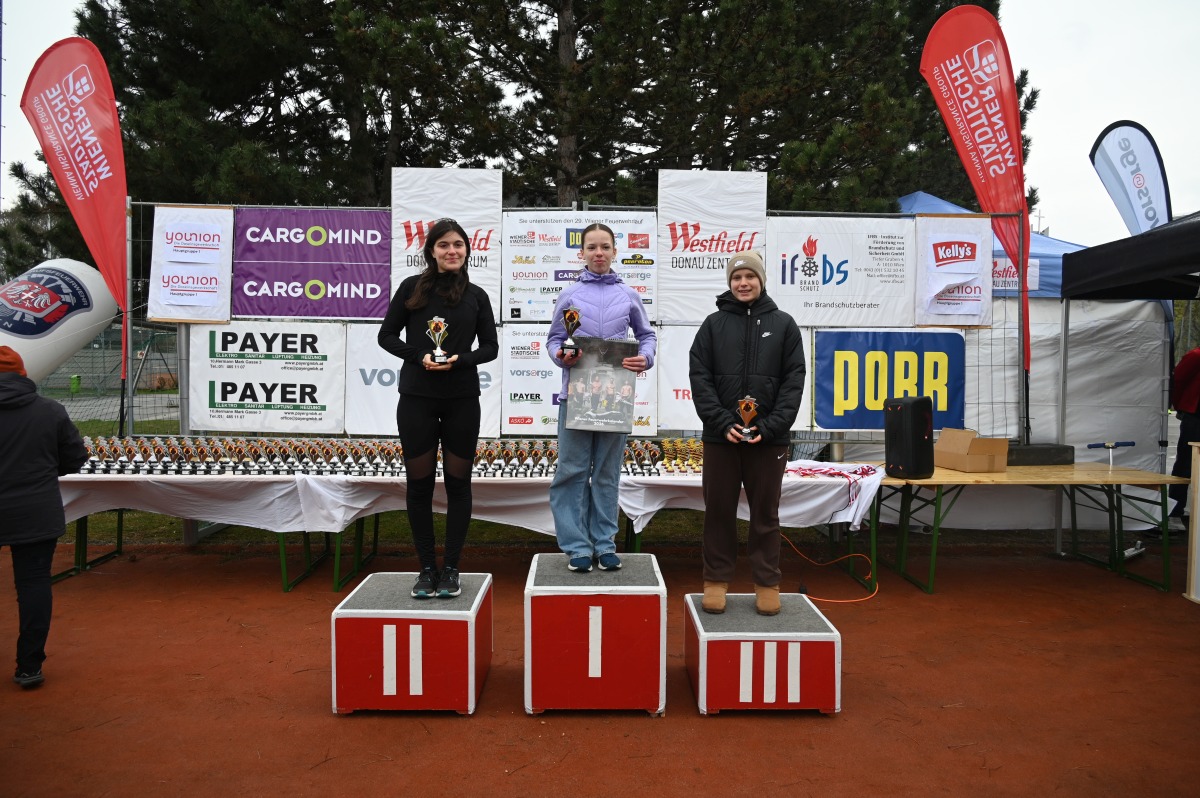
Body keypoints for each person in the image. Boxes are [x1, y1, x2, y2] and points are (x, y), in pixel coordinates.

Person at [378, 218, 498, 598]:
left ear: (467, 250)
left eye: (458, 244)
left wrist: (460, 360)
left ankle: (452, 570)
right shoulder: (411, 289)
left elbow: (490, 348)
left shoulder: (477, 295)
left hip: (462, 399)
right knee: (420, 485)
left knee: (459, 484)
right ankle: (427, 568)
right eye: (444, 244)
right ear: (431, 250)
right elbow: (386, 336)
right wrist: (420, 356)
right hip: (417, 399)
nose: (452, 251)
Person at [688, 250, 806, 616]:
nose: (743, 283)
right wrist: (723, 423)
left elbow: (794, 382)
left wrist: (769, 428)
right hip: (721, 437)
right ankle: (715, 580)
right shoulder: (712, 325)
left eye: (750, 277)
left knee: (766, 514)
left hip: (768, 440)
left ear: (761, 280)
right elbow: (700, 378)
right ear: (730, 283)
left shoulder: (784, 324)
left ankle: (767, 582)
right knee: (718, 511)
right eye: (737, 278)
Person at [547, 222, 656, 572]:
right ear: (582, 253)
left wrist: (646, 357)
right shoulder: (570, 295)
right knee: (572, 471)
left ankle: (605, 544)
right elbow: (555, 340)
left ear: (614, 251)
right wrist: (561, 355)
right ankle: (577, 546)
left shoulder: (629, 295)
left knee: (607, 473)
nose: (598, 253)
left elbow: (647, 336)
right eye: (592, 247)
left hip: (615, 398)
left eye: (605, 247)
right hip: (575, 395)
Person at [0, 346, 87, 688]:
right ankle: (29, 665)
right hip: (35, 510)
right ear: (22, 374)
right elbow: (74, 459)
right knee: (34, 584)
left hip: (30, 509)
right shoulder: (50, 410)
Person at [1168, 344, 1200, 524]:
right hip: (1195, 417)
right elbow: (1178, 381)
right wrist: (1180, 406)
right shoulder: (1195, 356)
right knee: (1185, 465)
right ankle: (1174, 510)